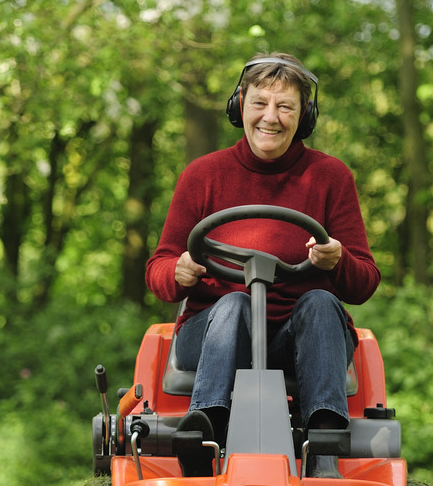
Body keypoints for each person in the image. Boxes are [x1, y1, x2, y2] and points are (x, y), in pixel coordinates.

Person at [145, 52, 380, 456]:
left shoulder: (330, 177)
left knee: (323, 302)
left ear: (304, 115)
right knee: (235, 303)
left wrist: (338, 261)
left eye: (285, 106)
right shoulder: (202, 175)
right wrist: (177, 271)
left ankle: (324, 435)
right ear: (240, 105)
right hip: (215, 334)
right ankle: (205, 429)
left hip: (299, 339)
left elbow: (365, 282)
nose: (270, 117)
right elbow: (159, 268)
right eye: (259, 103)